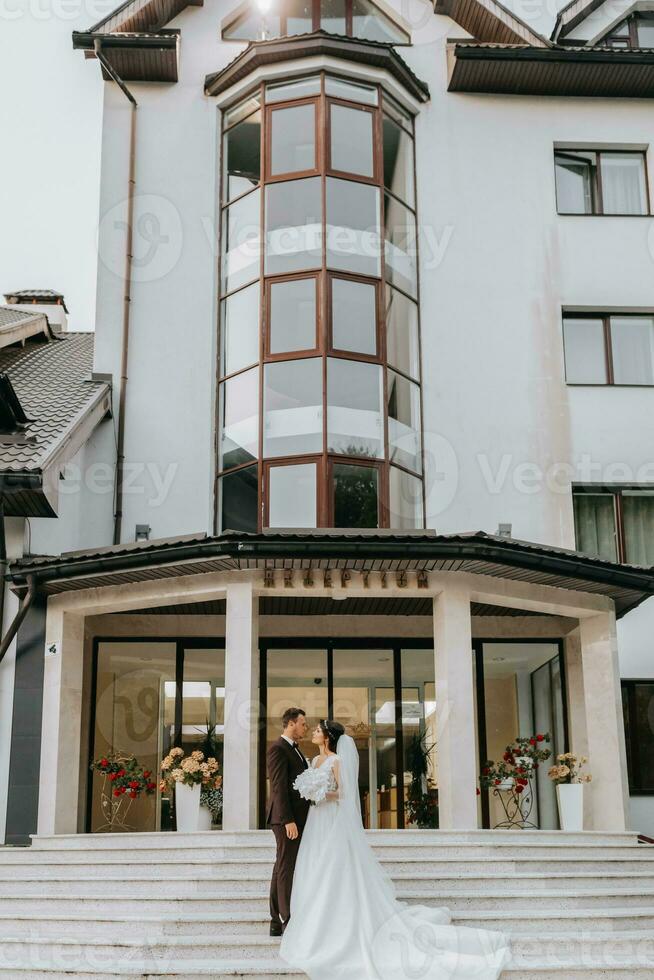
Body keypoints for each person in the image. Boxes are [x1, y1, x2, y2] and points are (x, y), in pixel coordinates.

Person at [280, 719, 511, 979]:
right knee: (314, 865)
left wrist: (322, 793)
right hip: (316, 822)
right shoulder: (313, 762)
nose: (314, 732)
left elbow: (343, 794)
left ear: (328, 737)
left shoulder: (336, 761)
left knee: (334, 867)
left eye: (318, 730)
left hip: (332, 820)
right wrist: (311, 792)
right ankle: (314, 923)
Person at [266, 707, 310, 937]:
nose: (305, 727)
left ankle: (275, 920)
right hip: (286, 820)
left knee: (281, 865)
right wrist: (288, 821)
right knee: (286, 867)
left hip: (295, 819)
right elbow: (278, 788)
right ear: (291, 723)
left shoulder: (296, 750)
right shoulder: (278, 748)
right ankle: (286, 919)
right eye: (303, 723)